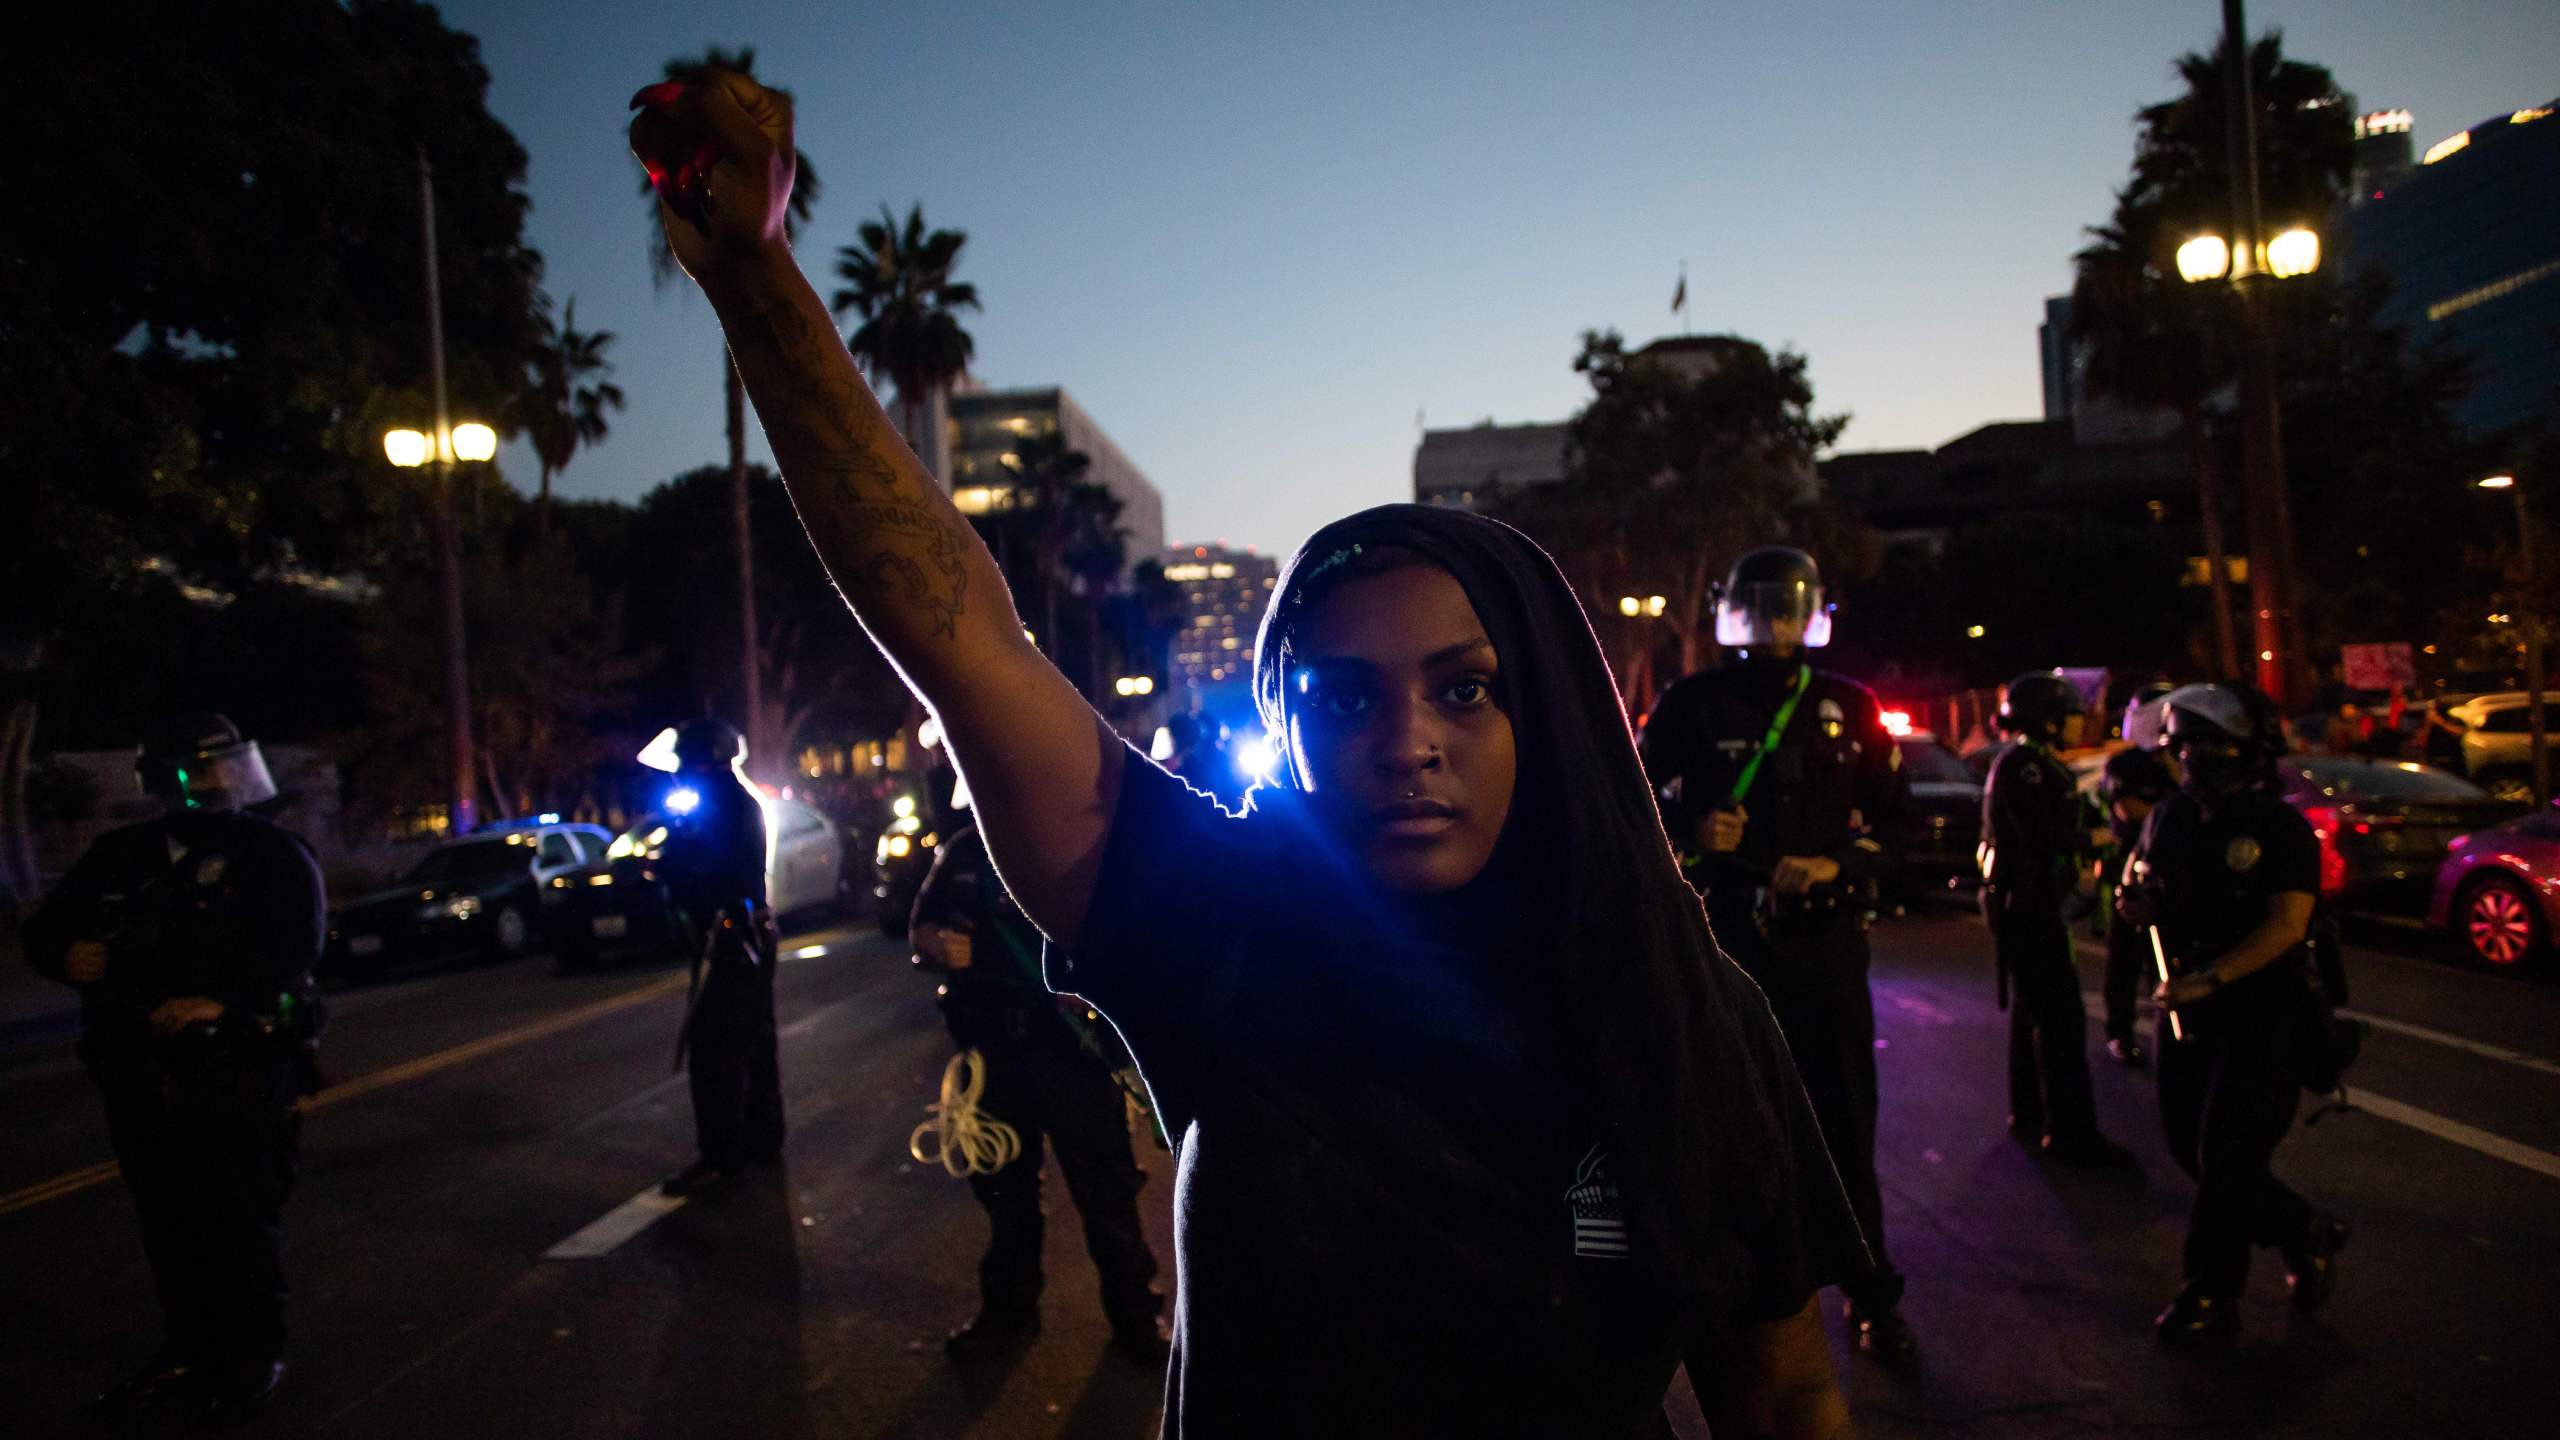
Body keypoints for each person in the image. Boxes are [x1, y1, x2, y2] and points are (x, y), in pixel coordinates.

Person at [630, 68, 1863, 1436]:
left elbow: (1786, 1387)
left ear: (1554, 713)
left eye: (1466, 691)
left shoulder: (1694, 1013)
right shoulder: (1222, 933)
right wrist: (757, 278)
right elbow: (968, 637)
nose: (1406, 744)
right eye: (1340, 701)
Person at [1638, 544, 1918, 1364]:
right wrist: (1691, 830)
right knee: (1726, 1122)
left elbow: (1900, 827)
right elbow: (1633, 799)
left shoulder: (1851, 705)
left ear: (1813, 610)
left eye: (1789, 603)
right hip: (1726, 948)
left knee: (1843, 1130)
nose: (1776, 619)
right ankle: (1740, 1299)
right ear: (1735, 610)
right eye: (1761, 604)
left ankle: (1873, 1298)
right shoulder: (1691, 704)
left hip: (1826, 950)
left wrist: (1838, 863)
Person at [23, 713, 325, 1421]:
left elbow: (294, 956)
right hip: (141, 1075)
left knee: (239, 1224)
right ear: (165, 782)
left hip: (240, 1071)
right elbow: (48, 928)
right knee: (170, 1224)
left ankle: (252, 1357)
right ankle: (187, 1352)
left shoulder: (274, 854)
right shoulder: (119, 854)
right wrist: (66, 957)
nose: (220, 784)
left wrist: (219, 1002)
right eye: (201, 771)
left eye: (229, 767)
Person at [2122, 683, 2352, 1341]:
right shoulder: (2171, 818)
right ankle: (2303, 1230)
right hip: (2191, 1011)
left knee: (2228, 1153)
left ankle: (2209, 1294)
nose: (2188, 757)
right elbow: (2149, 890)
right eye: (2181, 744)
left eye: (2201, 743)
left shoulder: (2280, 828)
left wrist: (2214, 978)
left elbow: (2286, 924)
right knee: (2190, 1148)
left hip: (2265, 1013)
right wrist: (2137, 905)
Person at [910, 812, 1167, 1363]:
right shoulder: (963, 851)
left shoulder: (1071, 840)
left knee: (1106, 1191)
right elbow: (921, 926)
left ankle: (1137, 1321)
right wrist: (936, 944)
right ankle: (1008, 1314)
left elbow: (1127, 930)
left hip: (1067, 1052)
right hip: (991, 1050)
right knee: (1004, 1195)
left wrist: (1093, 981)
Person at [1979, 673, 2132, 1165]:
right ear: (2047, 718)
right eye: (2069, 715)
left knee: (2033, 1015)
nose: (2076, 724)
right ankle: (2071, 1133)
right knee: (2061, 1021)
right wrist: (2093, 841)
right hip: (2029, 909)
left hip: (2035, 905)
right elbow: (2041, 833)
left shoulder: (2035, 763)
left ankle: (2030, 1114)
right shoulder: (2024, 766)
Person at [656, 717, 785, 1197]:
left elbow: (703, 875)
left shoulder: (721, 805)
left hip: (729, 939)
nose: (679, 770)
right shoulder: (734, 800)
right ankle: (762, 1139)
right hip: (748, 935)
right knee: (755, 1040)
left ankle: (721, 1154)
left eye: (685, 759)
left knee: (716, 1050)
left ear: (704, 758)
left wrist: (671, 863)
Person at [2096, 682, 2180, 1068]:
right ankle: (2120, 1031)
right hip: (2130, 869)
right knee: (2125, 959)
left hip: (2173, 873)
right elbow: (2130, 809)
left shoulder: (2179, 758)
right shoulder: (2124, 765)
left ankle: (2173, 1028)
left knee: (2168, 957)